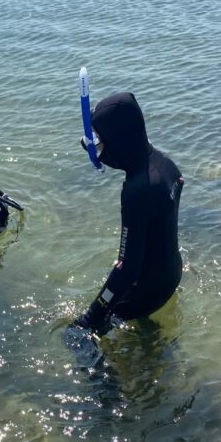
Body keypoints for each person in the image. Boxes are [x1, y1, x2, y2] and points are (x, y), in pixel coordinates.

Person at [70, 92, 184, 335]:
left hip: (145, 292)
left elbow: (128, 269)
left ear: (118, 139)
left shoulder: (137, 190)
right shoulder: (165, 164)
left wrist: (90, 317)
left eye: (100, 137)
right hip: (171, 274)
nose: (97, 144)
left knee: (80, 339)